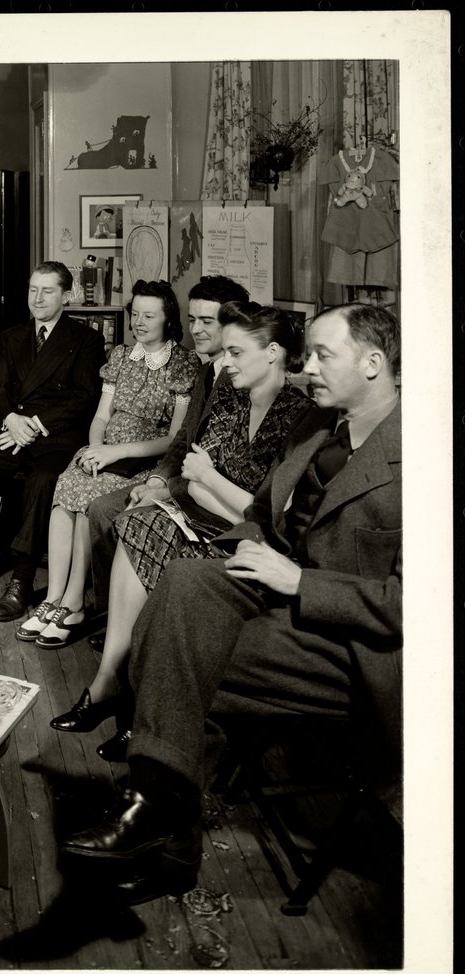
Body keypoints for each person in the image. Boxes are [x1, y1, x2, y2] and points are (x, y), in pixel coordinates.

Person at [62, 305, 401, 901]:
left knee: (167, 652)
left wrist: (299, 583)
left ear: (374, 364)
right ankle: (160, 817)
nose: (307, 368)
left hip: (351, 646)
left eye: (324, 355)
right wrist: (252, 555)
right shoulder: (321, 434)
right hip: (277, 601)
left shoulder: (425, 458)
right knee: (185, 586)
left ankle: (163, 829)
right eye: (308, 354)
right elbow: (257, 520)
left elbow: (420, 603)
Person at [54, 302, 314, 762]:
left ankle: (129, 702)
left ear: (273, 352)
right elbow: (192, 478)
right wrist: (219, 491)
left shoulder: (300, 416)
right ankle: (112, 679)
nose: (225, 362)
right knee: (138, 523)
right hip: (203, 515)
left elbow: (273, 518)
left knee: (159, 543)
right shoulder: (230, 397)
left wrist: (214, 484)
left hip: (249, 543)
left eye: (236, 352)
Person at [17, 279, 199, 648]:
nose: (139, 322)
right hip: (105, 452)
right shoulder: (120, 356)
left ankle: (74, 604)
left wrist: (116, 453)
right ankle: (53, 598)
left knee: (88, 500)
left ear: (168, 320)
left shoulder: (183, 364)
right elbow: (100, 417)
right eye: (135, 314)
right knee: (67, 484)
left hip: (145, 463)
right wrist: (96, 449)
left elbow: (174, 439)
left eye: (149, 315)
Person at [0, 262, 106, 612]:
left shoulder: (86, 339)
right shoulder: (12, 336)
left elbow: (84, 397)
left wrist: (34, 424)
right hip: (11, 430)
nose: (37, 299)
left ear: (66, 295)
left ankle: (22, 580)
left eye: (47, 291)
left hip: (55, 436)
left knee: (43, 480)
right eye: (32, 290)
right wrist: (11, 418)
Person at [85, 276, 251, 624]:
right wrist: (159, 478)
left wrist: (164, 487)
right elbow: (182, 440)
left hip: (208, 496)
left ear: (234, 324)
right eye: (193, 320)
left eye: (208, 321)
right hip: (177, 478)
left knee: (124, 514)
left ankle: (141, 624)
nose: (197, 330)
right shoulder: (207, 371)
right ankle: (113, 615)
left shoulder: (239, 377)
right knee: (101, 509)